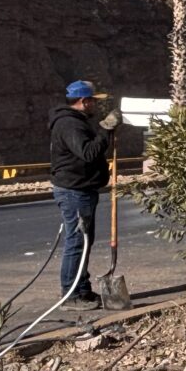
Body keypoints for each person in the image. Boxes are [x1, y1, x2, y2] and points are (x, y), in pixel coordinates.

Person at [48, 80, 120, 305]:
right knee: (77, 242)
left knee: (83, 242)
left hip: (81, 189)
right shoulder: (70, 124)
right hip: (74, 191)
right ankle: (71, 294)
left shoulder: (75, 122)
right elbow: (88, 153)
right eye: (93, 101)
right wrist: (105, 130)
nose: (95, 106)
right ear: (83, 101)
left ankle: (81, 288)